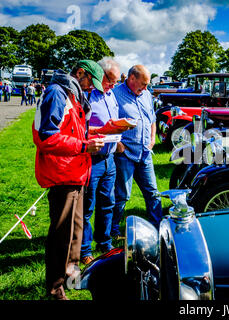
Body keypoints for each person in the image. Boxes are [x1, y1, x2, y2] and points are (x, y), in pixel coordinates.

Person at [32, 60, 106, 300]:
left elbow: (71, 131)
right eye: (90, 83)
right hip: (62, 174)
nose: (91, 89)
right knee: (61, 236)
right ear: (79, 73)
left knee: (75, 233)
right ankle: (55, 289)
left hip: (76, 173)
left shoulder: (73, 95)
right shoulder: (57, 93)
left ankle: (72, 280)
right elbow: (46, 137)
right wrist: (85, 145)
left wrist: (96, 133)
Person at [80, 58, 129, 265]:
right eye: (110, 80)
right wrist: (99, 133)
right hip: (91, 158)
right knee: (86, 207)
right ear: (101, 75)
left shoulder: (111, 95)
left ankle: (105, 242)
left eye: (116, 81)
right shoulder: (87, 95)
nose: (113, 84)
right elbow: (80, 126)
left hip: (110, 157)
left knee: (107, 202)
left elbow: (111, 122)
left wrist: (118, 136)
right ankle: (84, 250)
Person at [111, 65, 162, 237]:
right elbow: (109, 121)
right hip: (125, 153)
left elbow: (152, 119)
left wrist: (153, 138)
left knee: (153, 193)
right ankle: (114, 231)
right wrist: (117, 143)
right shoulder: (115, 94)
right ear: (131, 78)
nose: (146, 88)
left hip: (145, 153)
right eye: (143, 84)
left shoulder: (147, 95)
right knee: (122, 195)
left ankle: (158, 228)